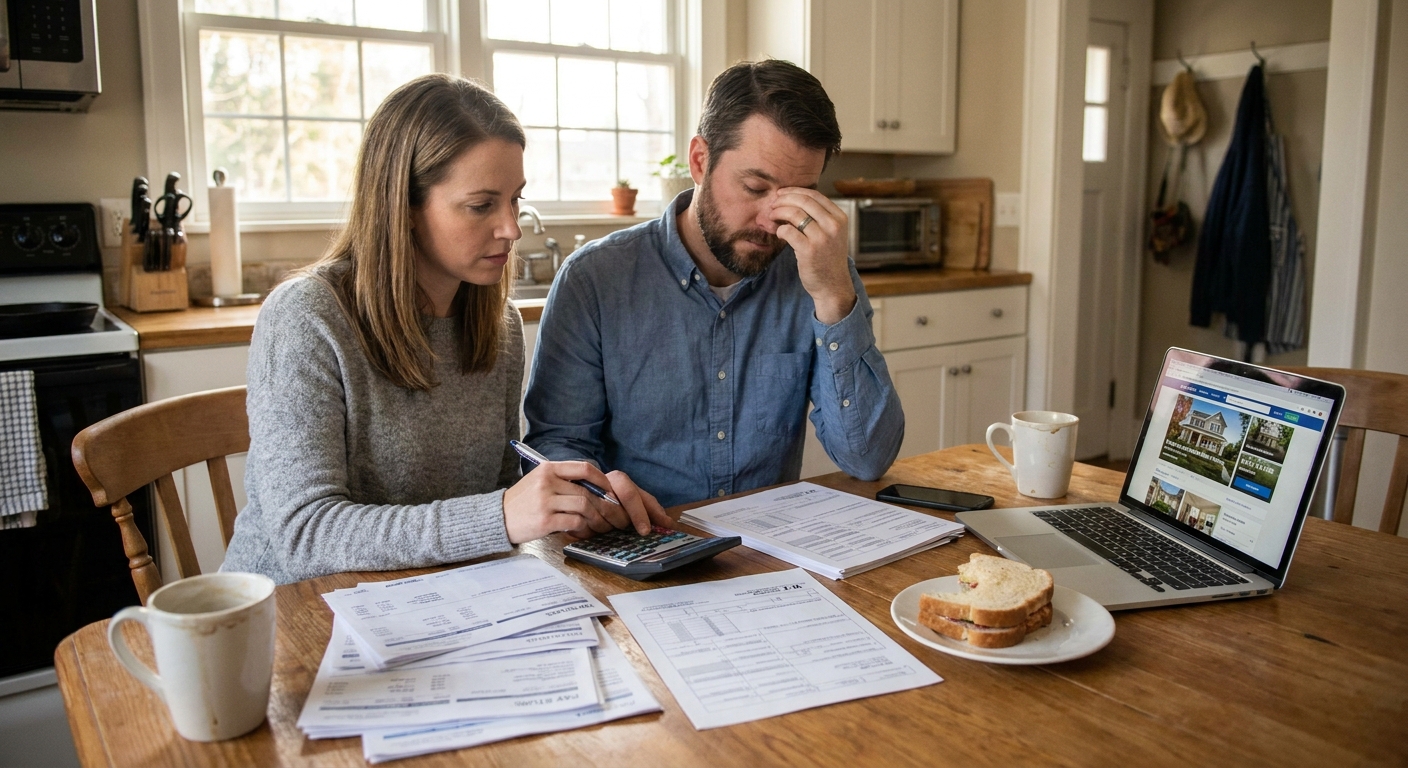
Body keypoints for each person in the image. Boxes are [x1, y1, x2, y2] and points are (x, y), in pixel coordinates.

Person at [222, 74, 669, 584]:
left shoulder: (493, 324)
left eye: (515, 199)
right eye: (481, 206)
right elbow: (306, 537)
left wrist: (574, 505)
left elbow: (496, 492)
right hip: (294, 616)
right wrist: (501, 514)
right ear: (404, 207)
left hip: (429, 598)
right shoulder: (307, 317)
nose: (511, 228)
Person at [524, 60, 904, 508]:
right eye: (755, 188)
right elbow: (555, 452)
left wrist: (834, 297)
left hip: (768, 554)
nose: (773, 221)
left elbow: (867, 459)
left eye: (798, 195)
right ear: (700, 161)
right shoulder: (594, 280)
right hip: (639, 549)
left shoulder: (821, 274)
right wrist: (606, 507)